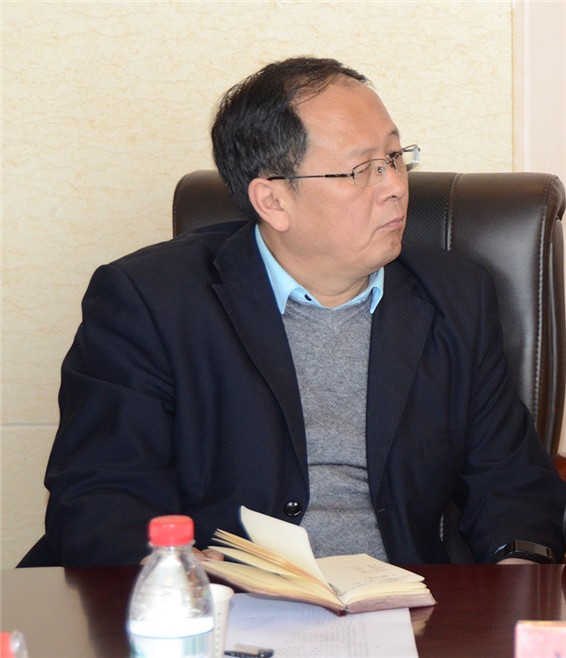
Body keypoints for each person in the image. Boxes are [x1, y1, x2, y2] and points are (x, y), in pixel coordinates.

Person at [39, 56, 565, 567]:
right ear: (273, 201)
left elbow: (510, 483)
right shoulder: (150, 302)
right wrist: (188, 579)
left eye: (395, 157)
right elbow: (101, 493)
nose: (395, 186)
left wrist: (517, 579)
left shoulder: (456, 296)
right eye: (362, 170)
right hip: (224, 605)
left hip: (406, 603)